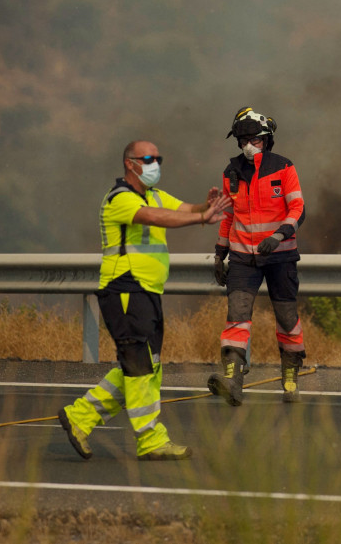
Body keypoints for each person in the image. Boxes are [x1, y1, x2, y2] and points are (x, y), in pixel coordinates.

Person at [58, 140, 232, 461]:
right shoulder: (119, 199)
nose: (155, 164)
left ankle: (80, 417)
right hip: (125, 288)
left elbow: (181, 209)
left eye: (158, 158)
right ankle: (150, 439)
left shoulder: (154, 194)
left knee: (144, 366)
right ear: (130, 163)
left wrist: (203, 207)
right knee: (139, 367)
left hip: (147, 291)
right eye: (149, 159)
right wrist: (202, 219)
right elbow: (157, 218)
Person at [208, 107, 307, 405]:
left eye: (254, 139)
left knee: (288, 319)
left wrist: (278, 237)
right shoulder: (231, 172)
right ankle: (232, 380)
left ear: (266, 139)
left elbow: (298, 209)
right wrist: (219, 254)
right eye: (242, 140)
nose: (248, 145)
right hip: (242, 259)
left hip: (280, 257)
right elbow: (228, 217)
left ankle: (290, 378)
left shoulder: (284, 168)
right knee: (236, 319)